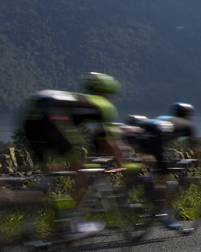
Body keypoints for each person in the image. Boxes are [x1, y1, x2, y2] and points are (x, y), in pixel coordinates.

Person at [21, 72, 132, 237]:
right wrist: (126, 165)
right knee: (82, 172)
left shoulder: (79, 99)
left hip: (31, 118)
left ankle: (25, 217)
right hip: (53, 118)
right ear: (107, 92)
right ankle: (72, 222)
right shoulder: (103, 105)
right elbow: (110, 142)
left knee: (50, 171)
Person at [122, 103, 201, 230]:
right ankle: (166, 217)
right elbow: (195, 148)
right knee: (166, 180)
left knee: (154, 168)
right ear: (187, 115)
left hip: (143, 135)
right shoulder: (187, 125)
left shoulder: (165, 118)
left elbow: (160, 138)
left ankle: (144, 189)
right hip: (155, 138)